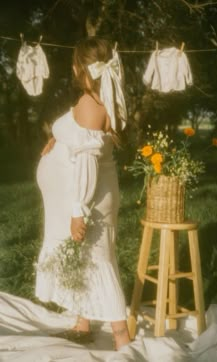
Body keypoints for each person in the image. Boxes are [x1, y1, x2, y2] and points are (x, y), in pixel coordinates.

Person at [35, 37, 131, 350]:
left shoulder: (92, 104)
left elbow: (88, 163)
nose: (73, 68)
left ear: (82, 67)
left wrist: (79, 209)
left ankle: (122, 339)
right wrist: (57, 141)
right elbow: (79, 141)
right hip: (80, 196)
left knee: (99, 260)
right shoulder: (94, 97)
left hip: (87, 198)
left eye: (76, 64)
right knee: (83, 259)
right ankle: (82, 323)